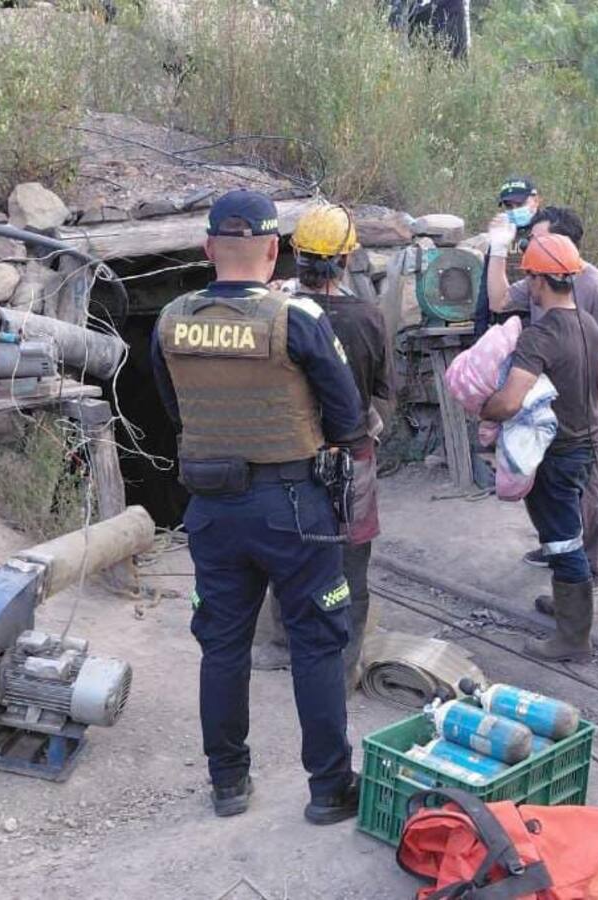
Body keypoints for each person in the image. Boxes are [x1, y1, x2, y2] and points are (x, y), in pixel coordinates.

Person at [150, 189, 364, 824]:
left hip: (212, 507)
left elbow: (173, 411)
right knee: (317, 644)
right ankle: (328, 791)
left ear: (208, 248)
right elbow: (349, 418)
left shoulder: (170, 321)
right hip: (293, 504)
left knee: (222, 647)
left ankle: (228, 785)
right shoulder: (297, 320)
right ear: (275, 251)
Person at [251, 204, 395, 689]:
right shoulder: (368, 319)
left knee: (287, 550)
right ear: (347, 261)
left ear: (295, 256)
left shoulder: (275, 313)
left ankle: (280, 645)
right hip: (349, 453)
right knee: (351, 560)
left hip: (287, 451)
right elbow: (379, 389)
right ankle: (343, 663)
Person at [480, 233, 598, 662]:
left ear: (538, 280)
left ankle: (573, 638)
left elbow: (511, 400)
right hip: (585, 441)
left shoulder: (541, 335)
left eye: (529, 276)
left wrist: (485, 409)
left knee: (561, 539)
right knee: (566, 530)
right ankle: (569, 604)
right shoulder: (587, 324)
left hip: (557, 450)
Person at [488, 206, 598, 596]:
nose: (532, 244)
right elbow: (498, 301)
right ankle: (562, 555)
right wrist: (498, 249)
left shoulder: (596, 289)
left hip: (580, 410)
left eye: (539, 239)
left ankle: (589, 571)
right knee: (553, 497)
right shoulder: (547, 286)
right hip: (547, 409)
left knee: (586, 489)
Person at [472, 176, 542, 338]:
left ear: (535, 200)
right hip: (504, 315)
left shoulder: (547, 231)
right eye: (509, 206)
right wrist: (479, 334)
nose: (514, 210)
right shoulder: (502, 234)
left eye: (520, 204)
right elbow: (485, 287)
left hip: (538, 318)